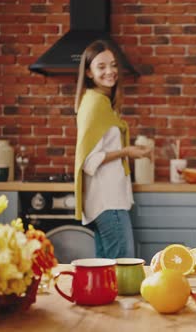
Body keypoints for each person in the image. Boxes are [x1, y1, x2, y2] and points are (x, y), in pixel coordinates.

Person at [74, 39, 151, 259]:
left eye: (114, 65)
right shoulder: (96, 104)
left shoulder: (100, 102)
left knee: (107, 271)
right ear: (89, 73)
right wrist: (127, 152)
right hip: (108, 202)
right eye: (102, 66)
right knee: (122, 268)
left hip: (107, 201)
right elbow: (88, 162)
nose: (111, 71)